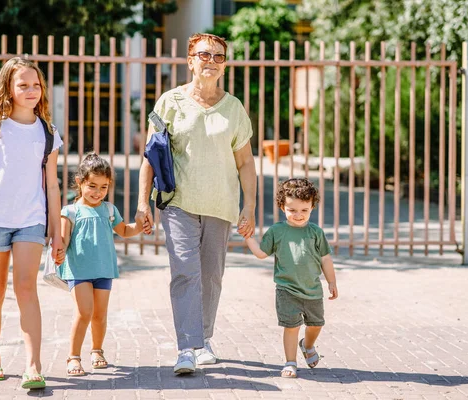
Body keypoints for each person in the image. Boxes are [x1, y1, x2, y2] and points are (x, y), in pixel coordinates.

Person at [135, 33, 257, 375]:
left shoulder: (233, 108)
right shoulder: (169, 102)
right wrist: (142, 202)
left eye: (219, 57)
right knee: (186, 272)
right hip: (178, 202)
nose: (211, 61)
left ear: (225, 65)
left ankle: (203, 339)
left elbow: (246, 162)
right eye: (205, 55)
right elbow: (150, 155)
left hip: (220, 204)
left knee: (212, 276)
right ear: (190, 60)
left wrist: (249, 207)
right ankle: (187, 348)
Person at [0, 57, 64, 389]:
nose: (31, 90)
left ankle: (34, 366)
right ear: (8, 87)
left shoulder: (47, 132)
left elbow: (52, 184)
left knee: (26, 288)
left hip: (31, 221)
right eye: (23, 85)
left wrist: (56, 231)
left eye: (36, 85)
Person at [58, 153, 151, 376]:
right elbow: (63, 241)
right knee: (84, 312)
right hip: (79, 270)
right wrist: (58, 250)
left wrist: (141, 227)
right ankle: (73, 357)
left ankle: (97, 351)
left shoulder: (109, 210)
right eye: (92, 186)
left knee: (100, 314)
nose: (98, 192)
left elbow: (125, 231)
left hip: (103, 270)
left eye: (104, 187)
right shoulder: (70, 212)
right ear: (80, 182)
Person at [242, 178, 338, 378]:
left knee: (316, 324)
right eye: (292, 210)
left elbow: (325, 258)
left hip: (312, 289)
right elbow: (261, 253)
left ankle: (308, 345)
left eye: (304, 210)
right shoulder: (277, 231)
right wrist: (248, 237)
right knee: (291, 327)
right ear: (282, 206)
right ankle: (290, 362)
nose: (298, 215)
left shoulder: (315, 232)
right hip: (286, 290)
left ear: (312, 207)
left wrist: (331, 281)